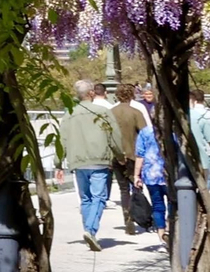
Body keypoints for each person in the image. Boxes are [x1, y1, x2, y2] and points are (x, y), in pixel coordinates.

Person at [60, 79, 121, 253]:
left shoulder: (69, 115)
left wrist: (59, 162)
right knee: (99, 197)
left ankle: (88, 229)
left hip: (78, 162)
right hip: (99, 160)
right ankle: (90, 230)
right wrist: (120, 155)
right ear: (92, 93)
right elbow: (114, 135)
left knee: (86, 198)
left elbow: (62, 139)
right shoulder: (103, 112)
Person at [108, 83, 148, 236]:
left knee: (123, 189)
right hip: (134, 155)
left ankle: (127, 218)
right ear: (132, 95)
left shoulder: (110, 112)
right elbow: (144, 133)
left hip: (116, 155)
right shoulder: (136, 112)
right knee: (136, 186)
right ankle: (139, 216)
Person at [136, 120, 171, 241]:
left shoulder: (145, 132)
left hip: (151, 174)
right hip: (168, 174)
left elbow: (140, 155)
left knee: (157, 206)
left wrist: (137, 175)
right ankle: (170, 229)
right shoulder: (170, 130)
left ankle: (161, 237)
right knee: (173, 203)